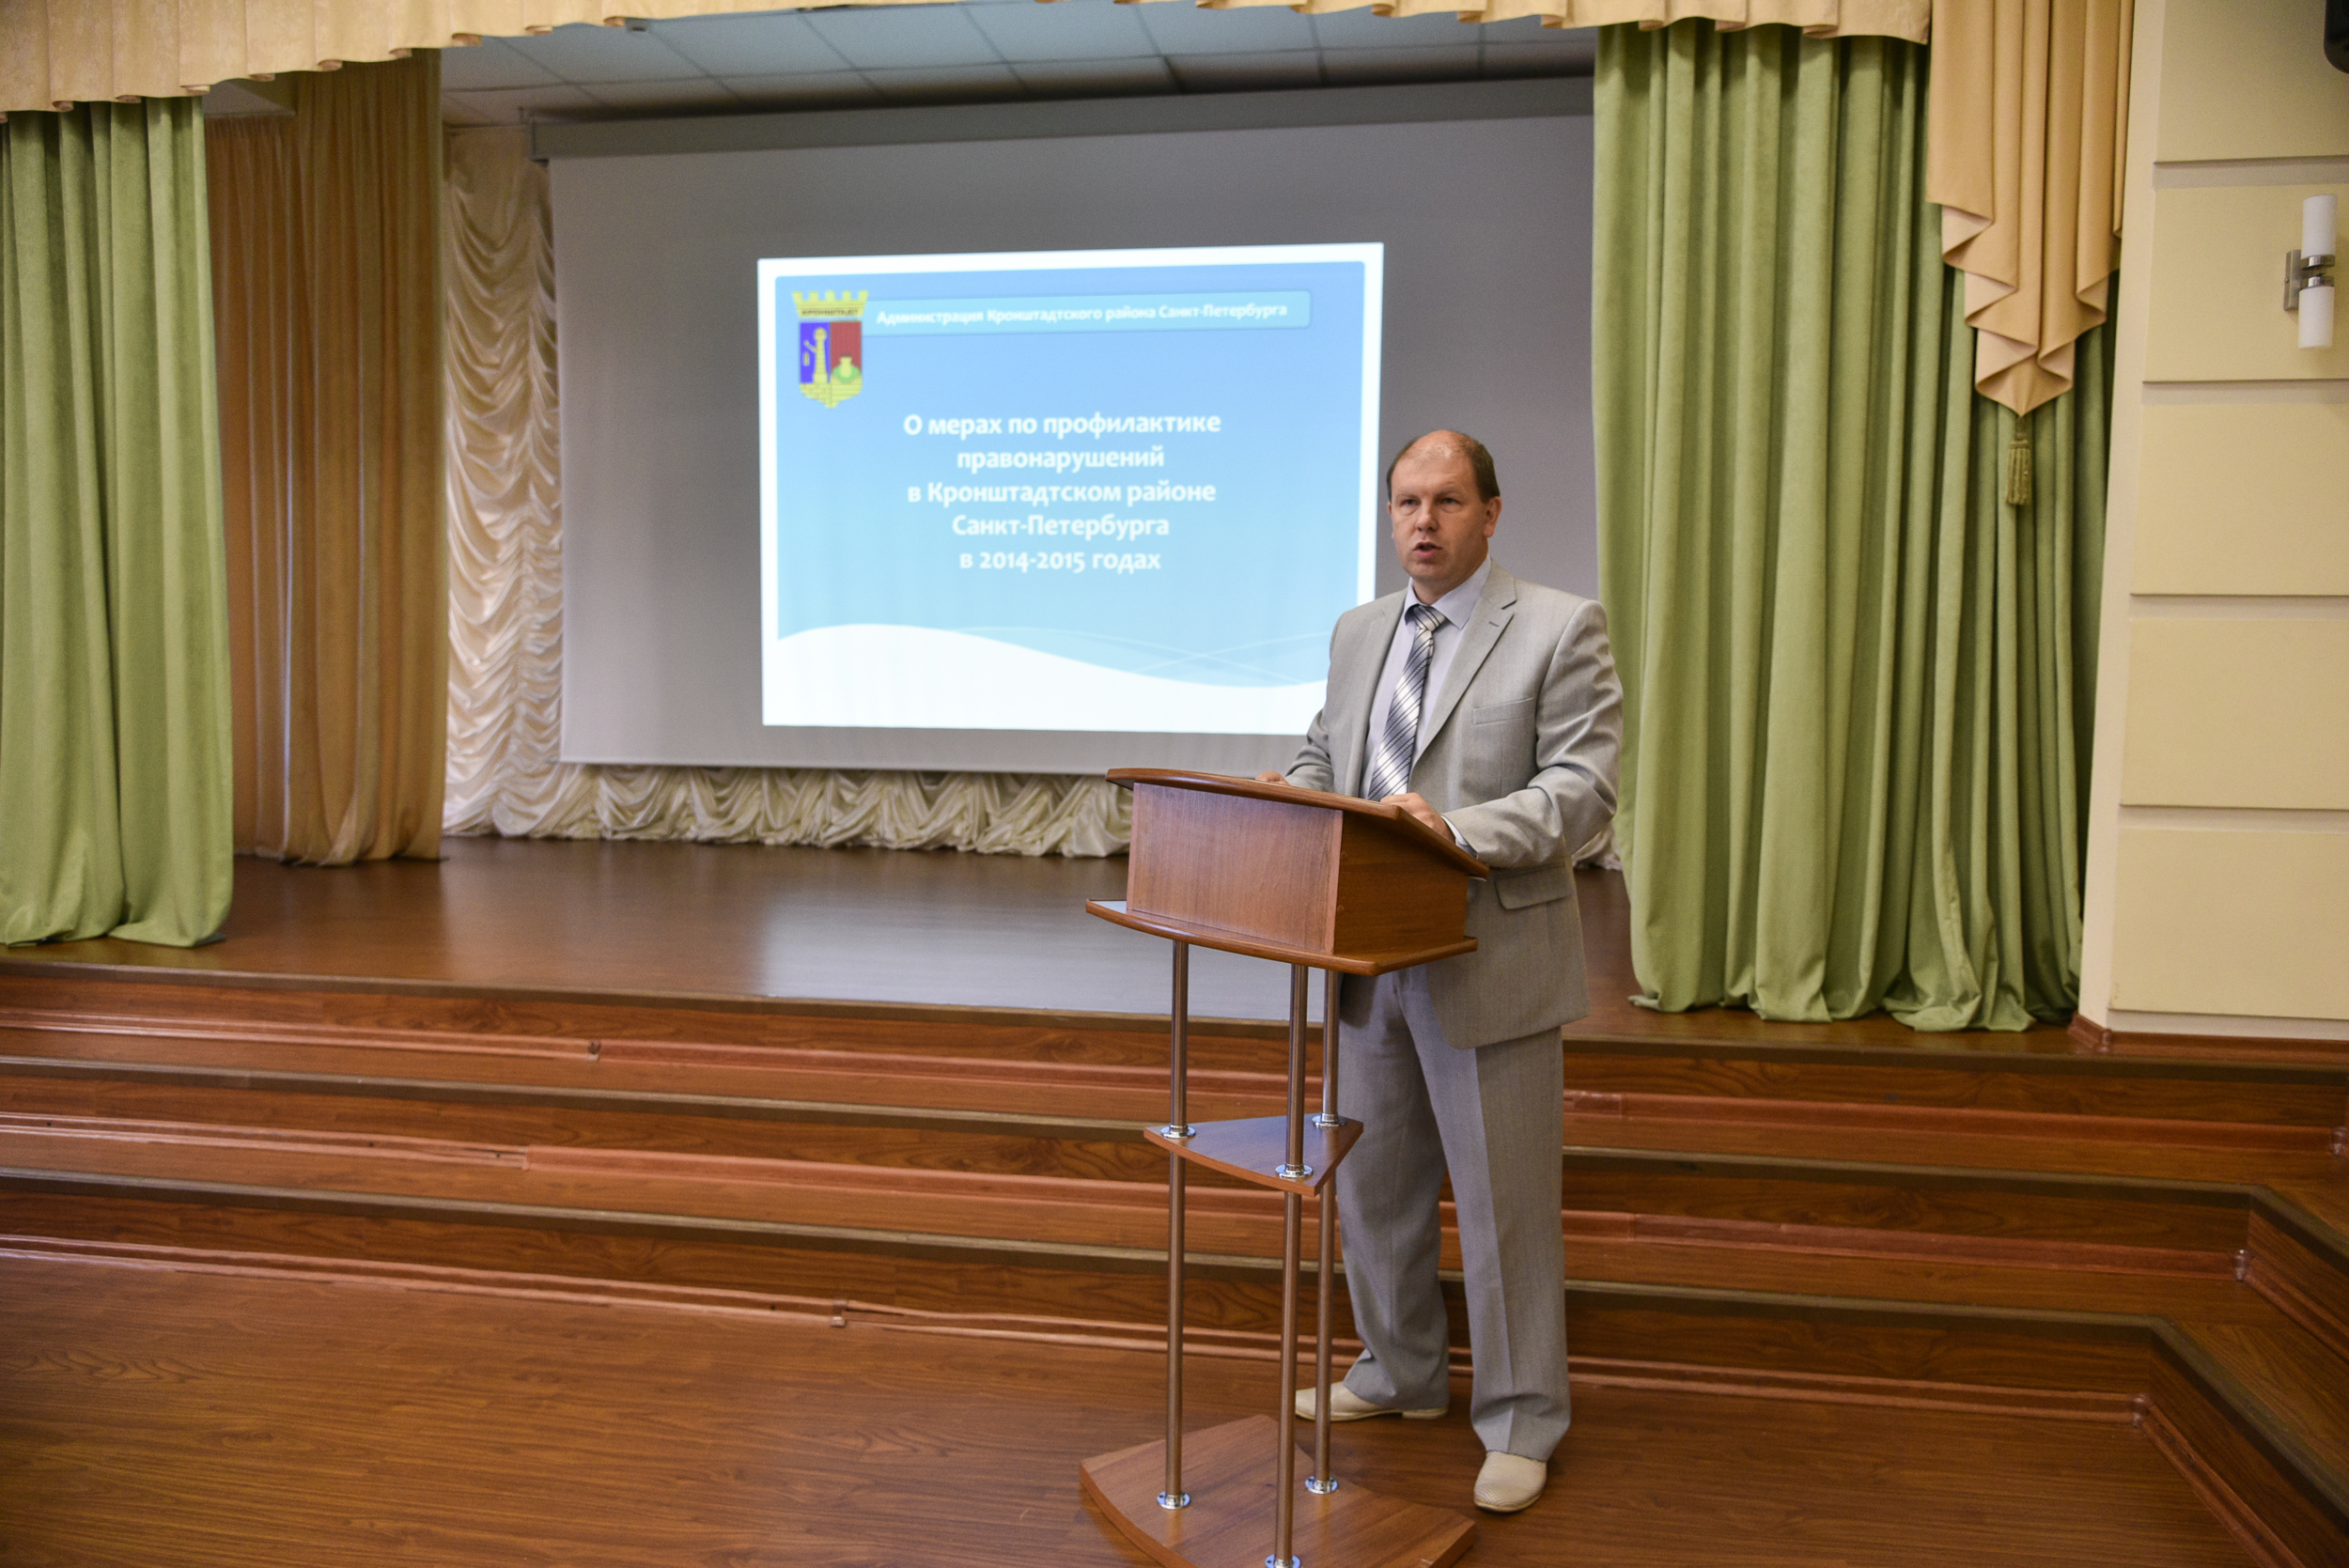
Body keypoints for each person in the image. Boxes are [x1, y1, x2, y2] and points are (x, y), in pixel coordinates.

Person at [1258, 429, 1621, 1514]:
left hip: (1488, 955)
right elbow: (1329, 754)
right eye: (1407, 501)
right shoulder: (1358, 629)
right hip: (1366, 952)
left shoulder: (1559, 624)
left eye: (1448, 500)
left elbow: (1581, 789)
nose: (1423, 521)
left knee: (1506, 1210)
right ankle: (1400, 1371)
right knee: (1373, 1191)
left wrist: (1454, 831)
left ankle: (1521, 1421)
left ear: (1491, 513)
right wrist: (1288, 793)